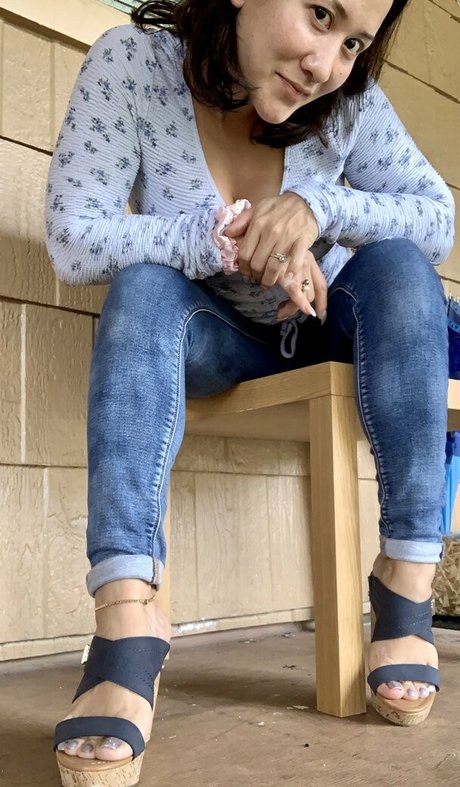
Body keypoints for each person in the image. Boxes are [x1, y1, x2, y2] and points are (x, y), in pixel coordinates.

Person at [46, 0, 455, 784]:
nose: (326, 64)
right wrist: (224, 239)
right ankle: (128, 615)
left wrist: (315, 209)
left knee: (406, 267)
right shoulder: (132, 65)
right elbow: (73, 238)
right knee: (141, 287)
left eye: (353, 42)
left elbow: (439, 215)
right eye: (319, 14)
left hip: (328, 319)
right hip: (213, 334)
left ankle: (407, 575)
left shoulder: (350, 102)